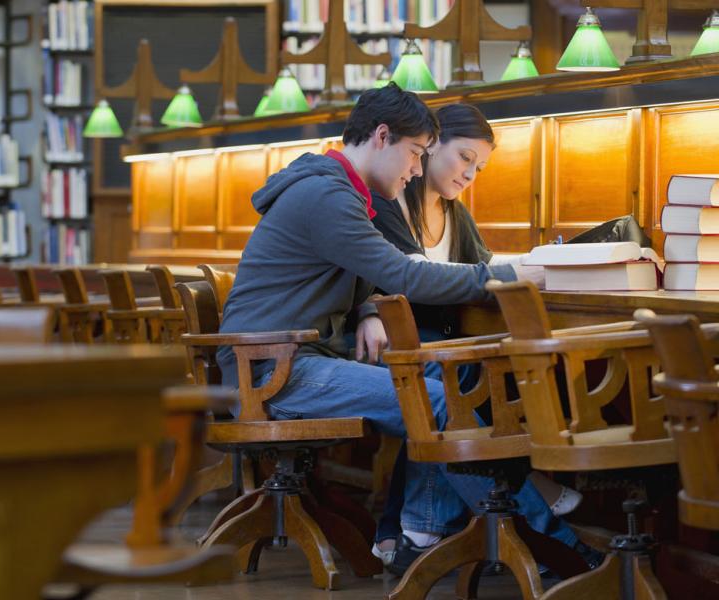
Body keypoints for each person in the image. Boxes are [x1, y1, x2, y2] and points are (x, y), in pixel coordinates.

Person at [217, 84, 596, 577]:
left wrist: (372, 306)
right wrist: (511, 275)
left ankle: (438, 533)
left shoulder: (341, 191)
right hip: (274, 372)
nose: (417, 169)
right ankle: (550, 547)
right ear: (381, 136)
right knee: (437, 400)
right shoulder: (327, 195)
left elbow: (372, 275)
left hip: (293, 361)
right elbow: (405, 274)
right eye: (415, 153)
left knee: (446, 380)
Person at [370, 103, 583, 566]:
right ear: (430, 145)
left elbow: (480, 268)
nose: (470, 174)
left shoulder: (455, 214)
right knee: (453, 385)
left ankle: (411, 531)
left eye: (479, 167)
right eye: (464, 158)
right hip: (397, 344)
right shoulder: (388, 203)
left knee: (478, 375)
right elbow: (409, 276)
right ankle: (537, 517)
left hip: (437, 343)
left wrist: (528, 266)